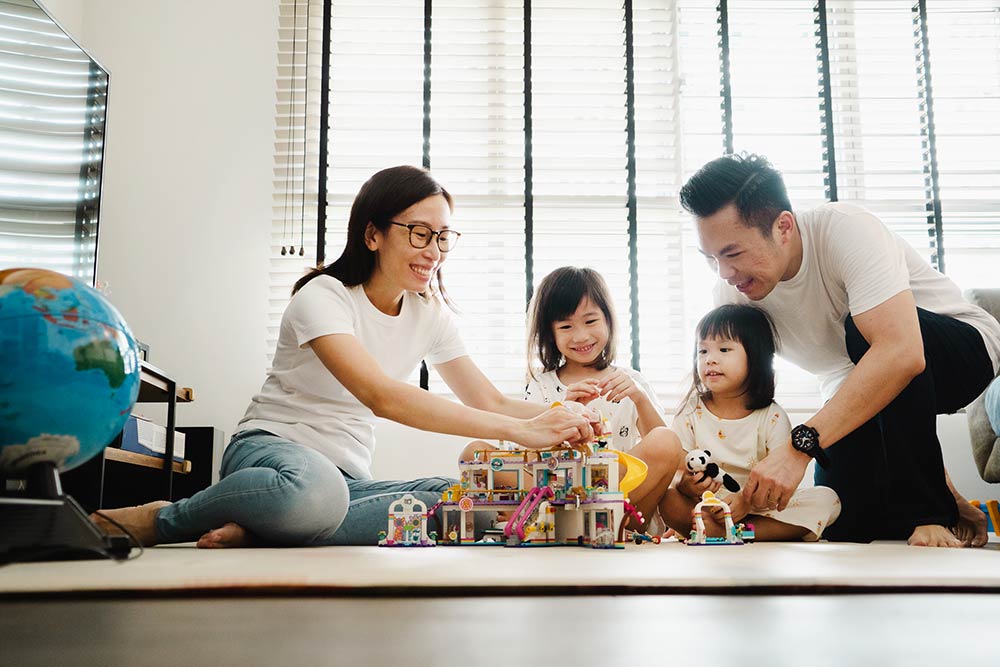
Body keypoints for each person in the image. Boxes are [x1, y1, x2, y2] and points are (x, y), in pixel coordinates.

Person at [94, 166, 593, 548]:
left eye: (442, 237)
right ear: (372, 234)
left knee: (459, 498)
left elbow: (488, 400)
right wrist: (517, 432)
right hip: (274, 453)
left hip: (346, 480)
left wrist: (564, 414)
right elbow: (379, 395)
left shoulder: (430, 315)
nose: (434, 250)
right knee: (314, 496)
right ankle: (165, 518)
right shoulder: (323, 296)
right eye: (419, 233)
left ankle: (266, 532)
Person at [679, 153, 1000, 547]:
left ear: (783, 227)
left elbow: (903, 354)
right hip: (857, 385)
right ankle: (949, 499)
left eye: (732, 253)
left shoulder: (847, 231)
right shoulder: (732, 293)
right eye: (710, 258)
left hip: (962, 351)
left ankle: (930, 511)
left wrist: (799, 450)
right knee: (848, 523)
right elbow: (733, 389)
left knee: (864, 336)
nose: (723, 272)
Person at [460, 266, 684, 534]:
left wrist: (640, 398)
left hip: (618, 501)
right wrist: (564, 414)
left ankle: (596, 523)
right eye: (566, 326)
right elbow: (524, 452)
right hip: (554, 495)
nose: (581, 336)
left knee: (666, 440)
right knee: (473, 453)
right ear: (550, 334)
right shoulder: (542, 385)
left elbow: (666, 448)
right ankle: (565, 521)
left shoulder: (631, 380)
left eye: (590, 321)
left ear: (609, 321)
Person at [658, 304, 841, 541]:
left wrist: (745, 500)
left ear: (755, 357)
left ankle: (737, 533)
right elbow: (679, 472)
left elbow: (780, 479)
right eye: (702, 351)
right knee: (667, 498)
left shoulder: (771, 416)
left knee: (828, 500)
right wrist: (687, 487)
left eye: (724, 349)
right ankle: (714, 530)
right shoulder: (691, 411)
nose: (710, 360)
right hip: (706, 506)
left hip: (756, 509)